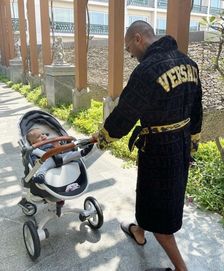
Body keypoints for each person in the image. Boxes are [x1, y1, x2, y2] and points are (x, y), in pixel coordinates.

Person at [92, 21, 202, 271]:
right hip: (181, 144)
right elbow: (197, 109)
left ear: (139, 38)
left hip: (160, 150)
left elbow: (126, 113)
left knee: (162, 212)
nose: (130, 53)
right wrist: (192, 142)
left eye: (129, 47)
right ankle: (140, 230)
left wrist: (104, 137)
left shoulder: (147, 70)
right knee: (150, 194)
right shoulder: (189, 64)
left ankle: (181, 268)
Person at [27, 128, 93, 184]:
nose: (42, 136)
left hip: (59, 157)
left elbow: (61, 151)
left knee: (69, 155)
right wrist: (36, 161)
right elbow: (33, 158)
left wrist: (56, 145)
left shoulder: (51, 142)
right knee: (42, 168)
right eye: (38, 137)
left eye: (43, 134)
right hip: (46, 160)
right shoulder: (35, 149)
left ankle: (82, 152)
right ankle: (40, 176)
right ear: (33, 143)